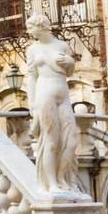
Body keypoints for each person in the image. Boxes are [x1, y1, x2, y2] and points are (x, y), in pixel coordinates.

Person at [25, 14, 81, 195]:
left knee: (71, 141)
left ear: (41, 26)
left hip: (63, 92)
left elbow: (70, 72)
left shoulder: (62, 46)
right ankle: (51, 184)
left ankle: (63, 178)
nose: (28, 31)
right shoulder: (33, 49)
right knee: (51, 140)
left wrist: (70, 62)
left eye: (31, 27)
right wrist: (32, 103)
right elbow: (32, 77)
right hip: (44, 92)